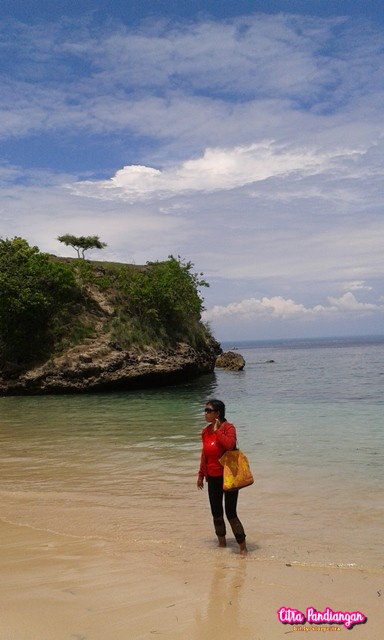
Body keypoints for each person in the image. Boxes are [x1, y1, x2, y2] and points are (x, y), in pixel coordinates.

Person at [197, 399, 248, 555]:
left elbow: (230, 445)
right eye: (205, 410)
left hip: (229, 477)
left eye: (208, 410)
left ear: (217, 413)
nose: (205, 413)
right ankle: (222, 547)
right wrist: (201, 474)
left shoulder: (228, 428)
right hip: (212, 477)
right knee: (216, 513)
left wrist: (218, 430)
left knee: (231, 513)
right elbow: (204, 454)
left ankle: (243, 549)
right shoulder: (205, 431)